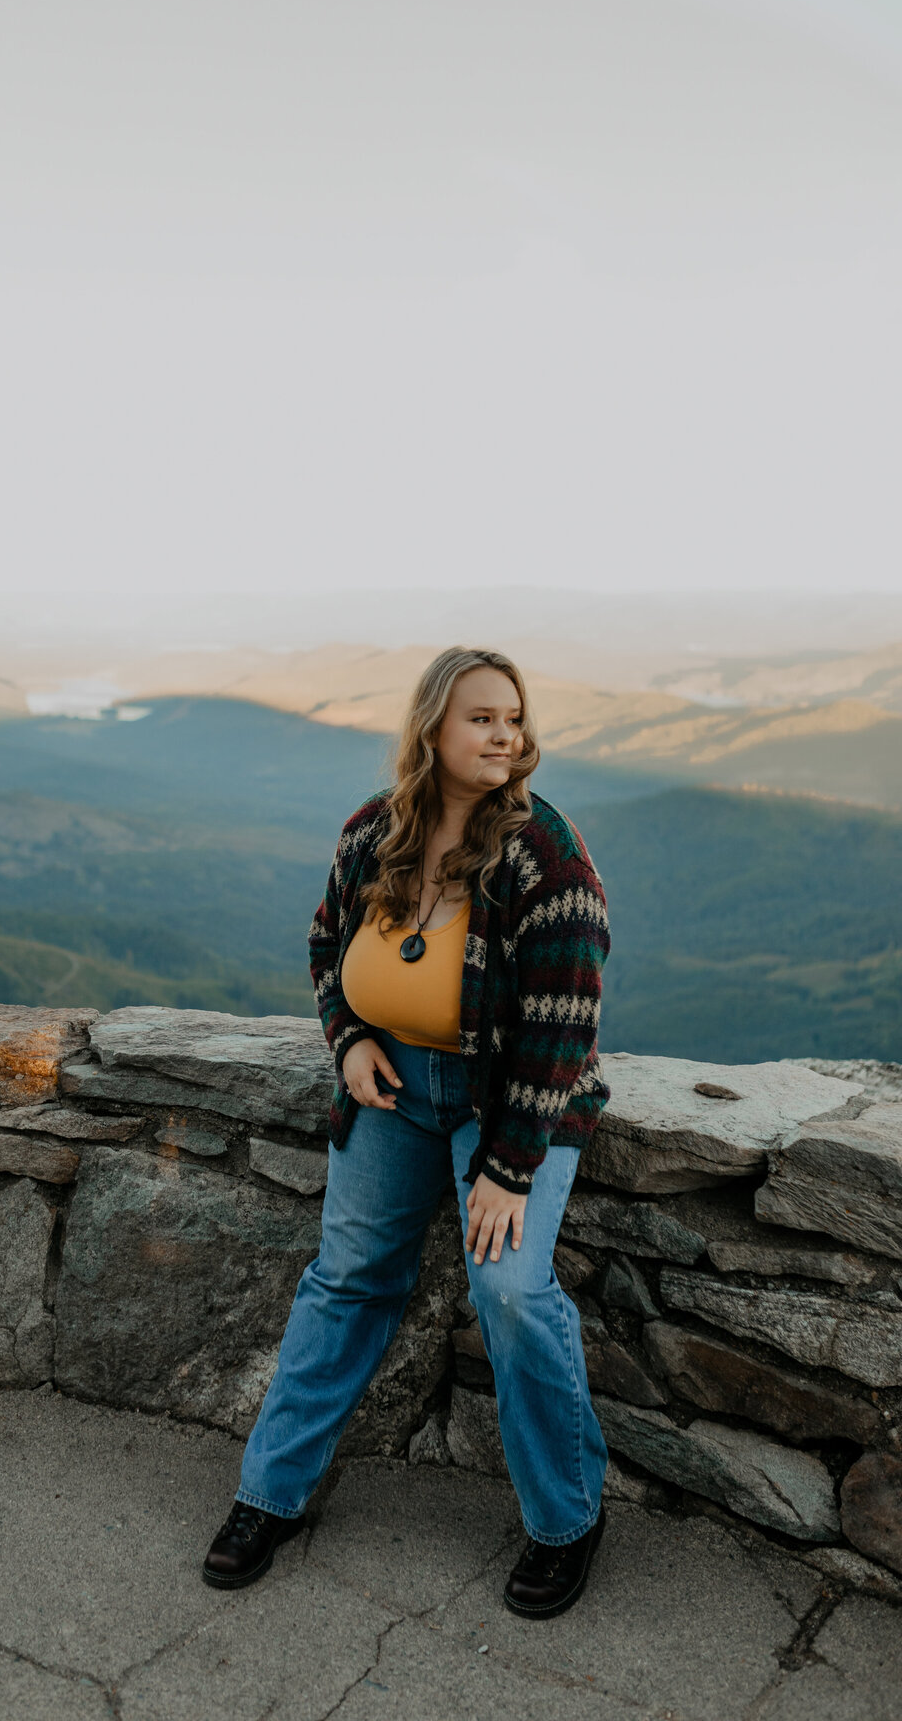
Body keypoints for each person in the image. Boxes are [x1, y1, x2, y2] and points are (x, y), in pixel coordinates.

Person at [201, 645, 612, 1620]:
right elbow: (323, 944)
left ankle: (568, 1519)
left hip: (509, 1100)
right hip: (390, 1087)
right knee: (347, 1277)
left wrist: (508, 1170)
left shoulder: (545, 856)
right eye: (481, 718)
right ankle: (271, 1496)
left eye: (513, 718)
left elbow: (563, 1024)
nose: (504, 735)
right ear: (433, 725)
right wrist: (346, 1038)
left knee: (509, 1287)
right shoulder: (372, 834)